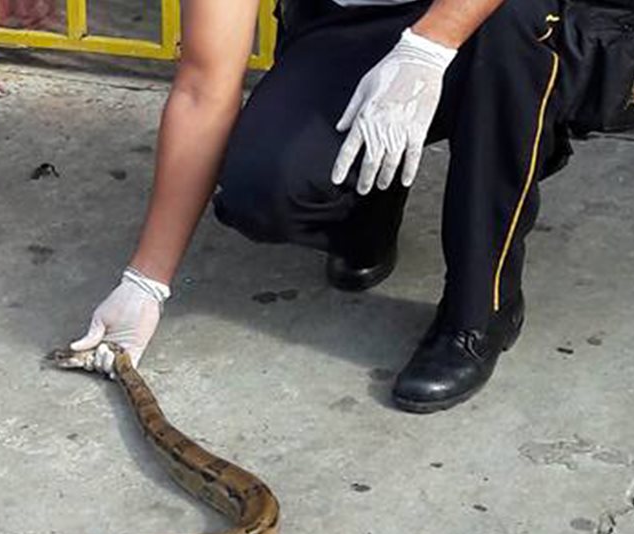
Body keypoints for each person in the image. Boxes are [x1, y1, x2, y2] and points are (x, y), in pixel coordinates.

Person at [70, 0, 572, 413]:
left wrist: (429, 44)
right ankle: (367, 214)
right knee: (264, 187)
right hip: (356, 23)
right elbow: (204, 88)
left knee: (513, 33)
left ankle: (481, 312)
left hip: (506, 19)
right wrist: (146, 281)